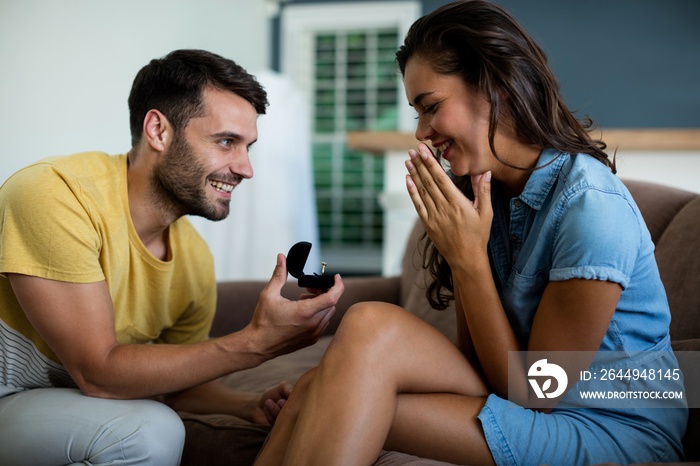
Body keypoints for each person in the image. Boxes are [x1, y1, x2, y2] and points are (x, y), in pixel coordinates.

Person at [252, 1, 688, 465]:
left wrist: (468, 258)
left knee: (337, 399)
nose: (421, 132)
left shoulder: (590, 208)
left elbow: (539, 387)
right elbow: (481, 361)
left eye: (431, 107)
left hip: (613, 426)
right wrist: (465, 252)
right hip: (534, 399)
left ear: (494, 86)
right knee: (353, 341)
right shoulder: (490, 196)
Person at [0, 49, 343, 466]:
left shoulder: (194, 261)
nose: (246, 168)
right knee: (150, 431)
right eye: (226, 141)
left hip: (50, 403)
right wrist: (256, 343)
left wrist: (245, 405)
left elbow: (179, 387)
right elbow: (99, 372)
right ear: (159, 131)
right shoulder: (55, 195)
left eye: (248, 146)